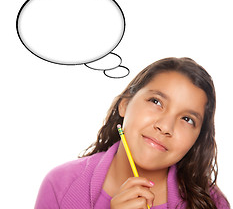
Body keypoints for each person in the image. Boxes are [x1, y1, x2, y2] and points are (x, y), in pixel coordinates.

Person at [35, 57, 230, 209]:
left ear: (197, 139)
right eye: (156, 102)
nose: (165, 127)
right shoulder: (60, 185)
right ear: (125, 104)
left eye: (187, 119)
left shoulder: (212, 203)